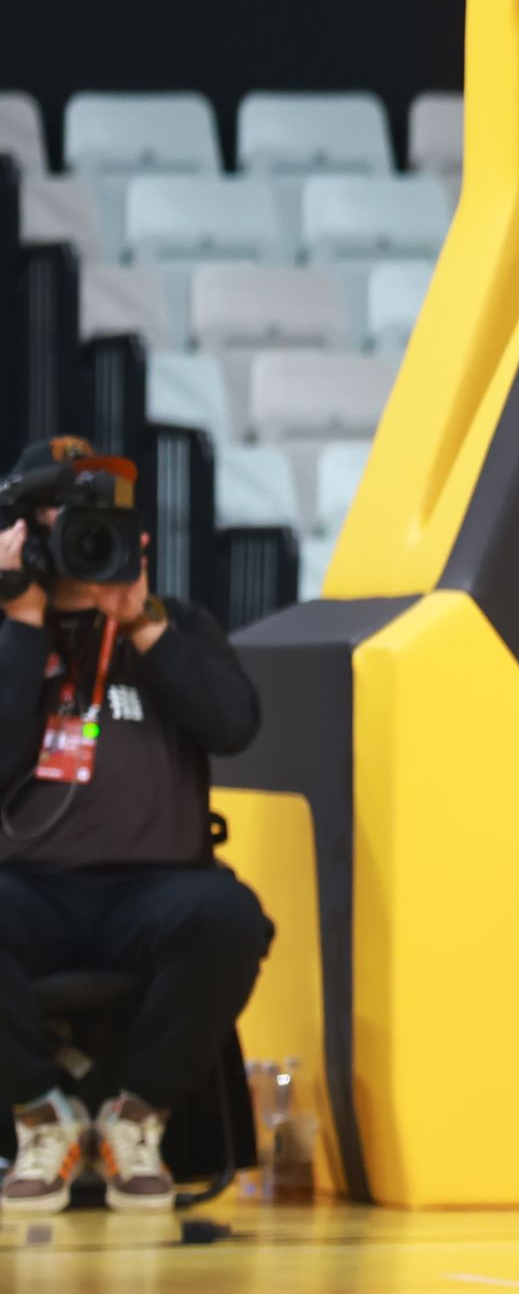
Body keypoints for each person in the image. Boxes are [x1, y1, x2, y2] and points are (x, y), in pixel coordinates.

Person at [0, 438, 268, 1216]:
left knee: (231, 918)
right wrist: (23, 625)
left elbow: (235, 724)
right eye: (63, 518)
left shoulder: (176, 624)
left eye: (100, 517)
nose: (84, 536)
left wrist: (143, 624)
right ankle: (41, 1116)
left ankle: (137, 1115)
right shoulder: (8, 632)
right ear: (24, 533)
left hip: (159, 890)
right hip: (26, 890)